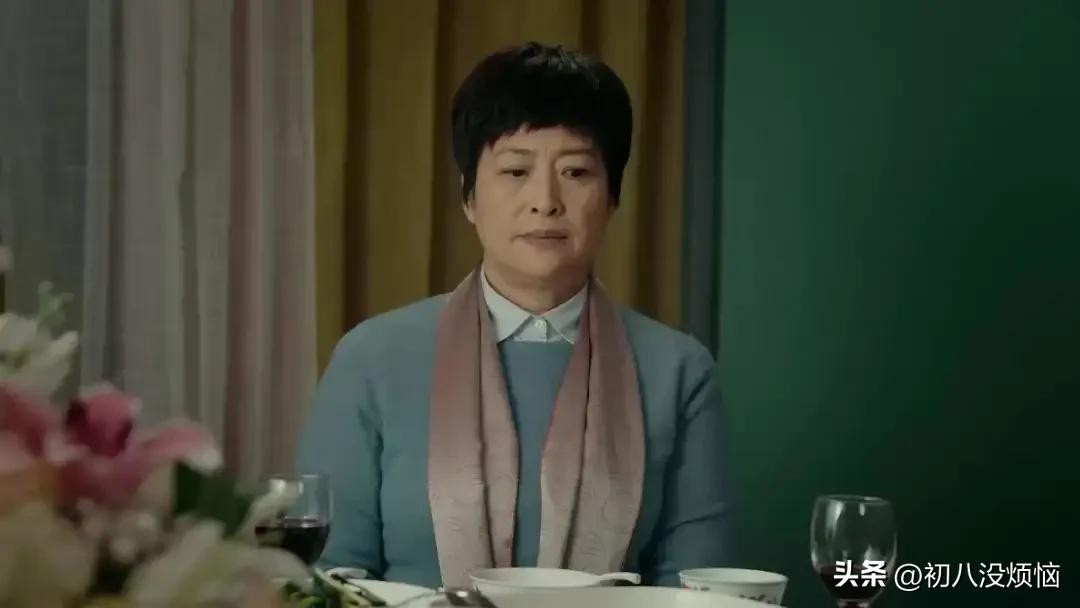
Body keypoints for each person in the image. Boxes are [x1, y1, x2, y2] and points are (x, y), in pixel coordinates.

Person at [295, 41, 730, 589]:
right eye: (516, 170)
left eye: (575, 171)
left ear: (612, 198)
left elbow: (695, 589)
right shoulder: (371, 358)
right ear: (469, 197)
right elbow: (324, 578)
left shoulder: (679, 372)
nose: (545, 200)